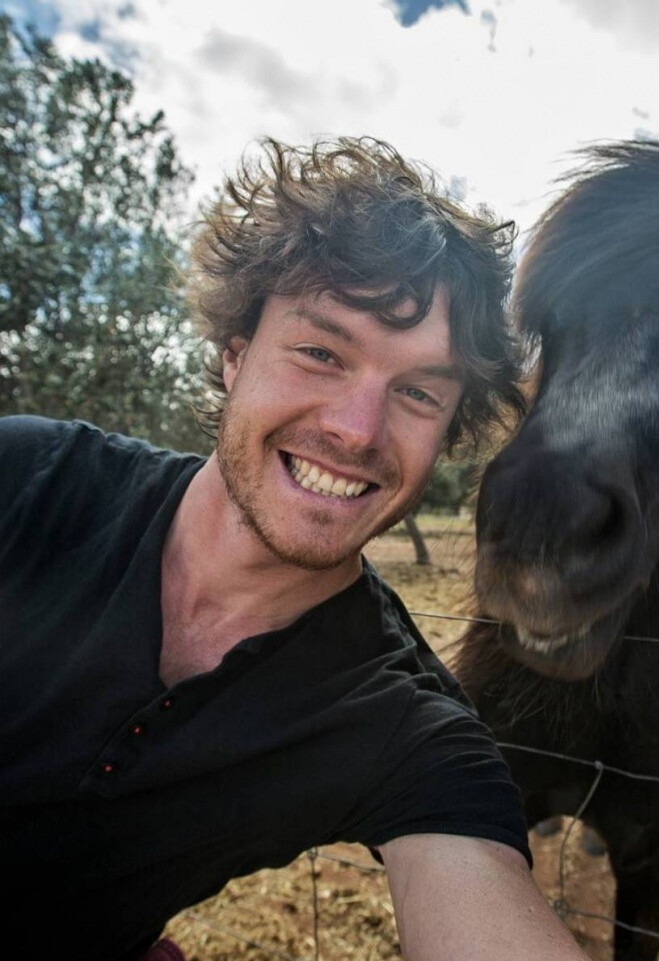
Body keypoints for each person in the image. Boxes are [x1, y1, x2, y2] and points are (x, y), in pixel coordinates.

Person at [0, 138, 590, 961]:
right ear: (234, 353)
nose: (356, 430)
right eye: (321, 352)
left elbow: (475, 882)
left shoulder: (403, 725)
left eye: (418, 392)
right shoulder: (28, 481)